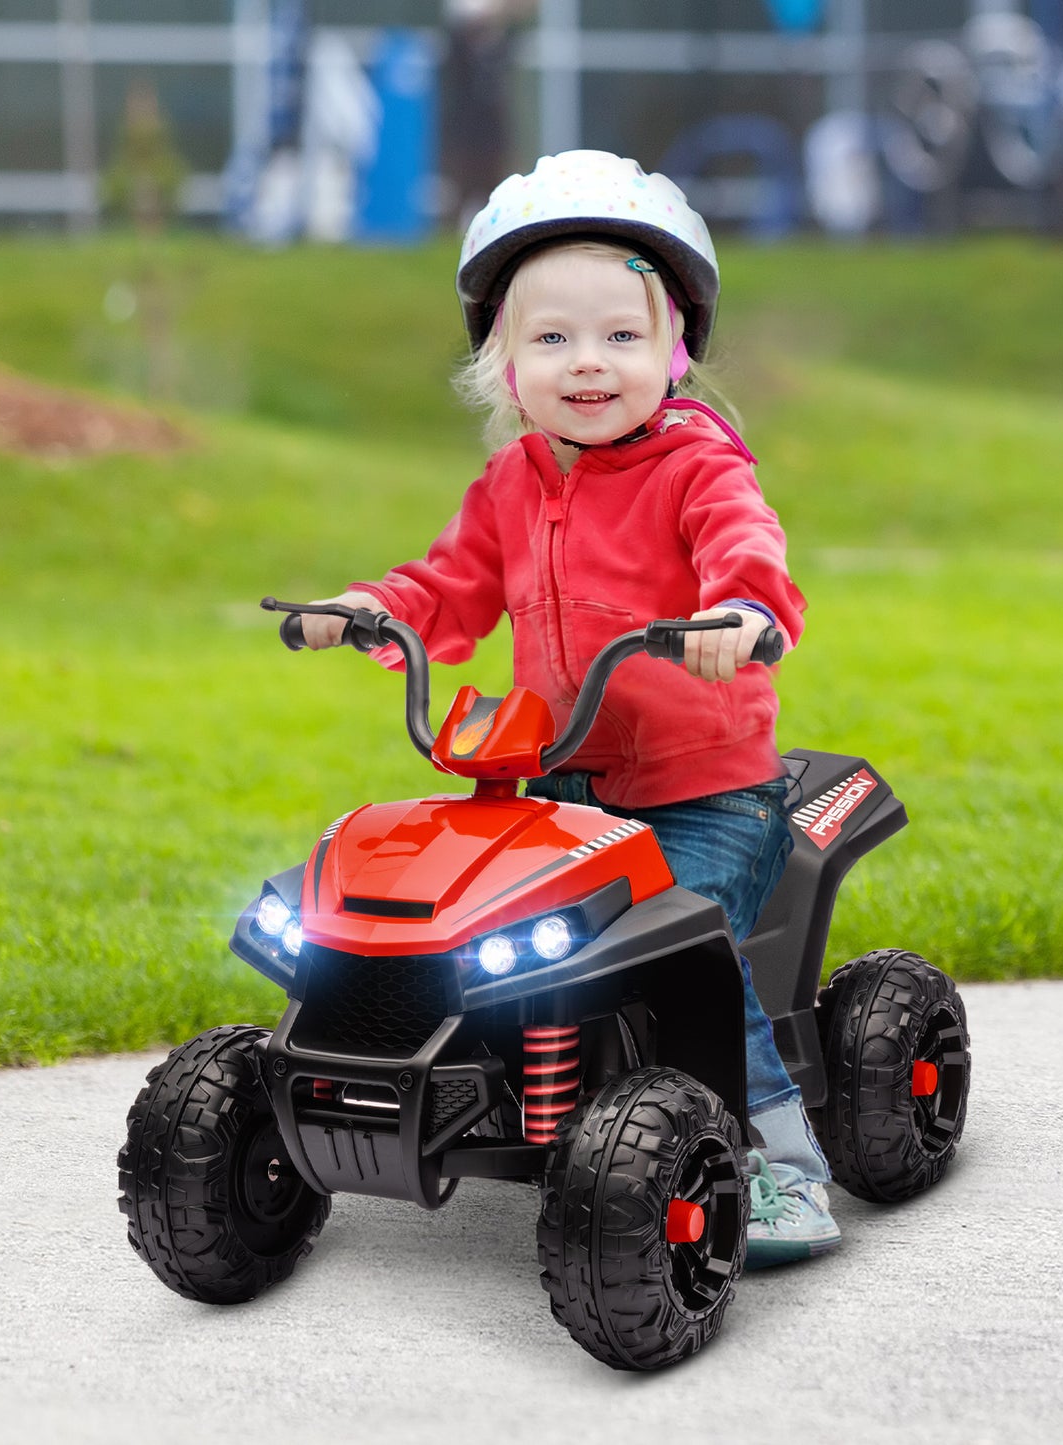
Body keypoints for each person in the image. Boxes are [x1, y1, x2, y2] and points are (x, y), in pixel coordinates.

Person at [298, 150, 839, 1267]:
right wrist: (372, 609)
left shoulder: (699, 466)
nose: (585, 362)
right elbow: (447, 584)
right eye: (550, 338)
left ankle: (784, 1165)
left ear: (672, 349)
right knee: (470, 931)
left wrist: (739, 612)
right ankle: (484, 1097)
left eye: (618, 337)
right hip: (555, 784)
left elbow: (747, 550)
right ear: (502, 359)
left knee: (686, 947)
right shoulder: (510, 482)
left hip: (704, 793)